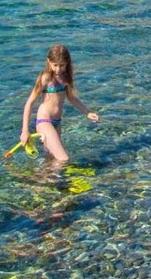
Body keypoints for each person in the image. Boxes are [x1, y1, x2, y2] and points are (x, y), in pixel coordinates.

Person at [19, 44, 100, 184]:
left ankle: (39, 184)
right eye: (55, 65)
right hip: (44, 121)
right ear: (48, 62)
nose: (58, 69)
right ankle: (42, 182)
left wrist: (87, 112)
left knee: (51, 159)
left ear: (67, 62)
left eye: (61, 65)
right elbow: (29, 103)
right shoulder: (45, 78)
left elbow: (71, 98)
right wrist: (25, 131)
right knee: (63, 159)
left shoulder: (66, 77)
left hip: (57, 122)